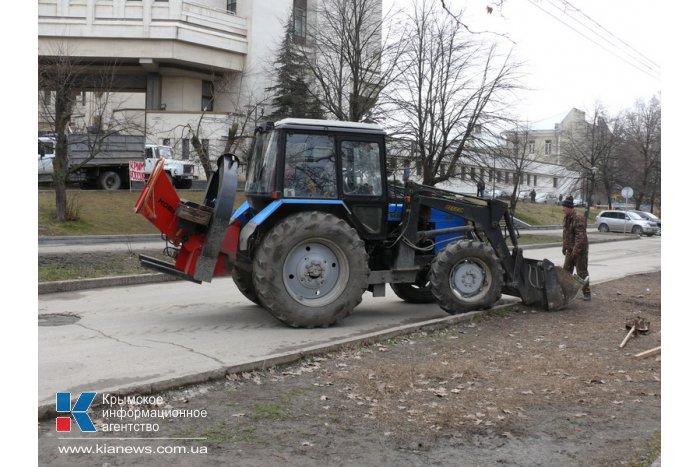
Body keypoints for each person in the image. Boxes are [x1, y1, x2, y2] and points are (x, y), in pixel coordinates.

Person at [561, 195, 591, 301]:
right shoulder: (566, 218)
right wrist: (565, 246)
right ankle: (566, 292)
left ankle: (587, 293)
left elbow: (580, 236)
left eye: (564, 207)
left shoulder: (578, 218)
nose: (563, 209)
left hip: (580, 250)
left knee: (581, 272)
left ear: (569, 207)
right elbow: (566, 233)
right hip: (570, 249)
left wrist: (576, 250)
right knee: (566, 272)